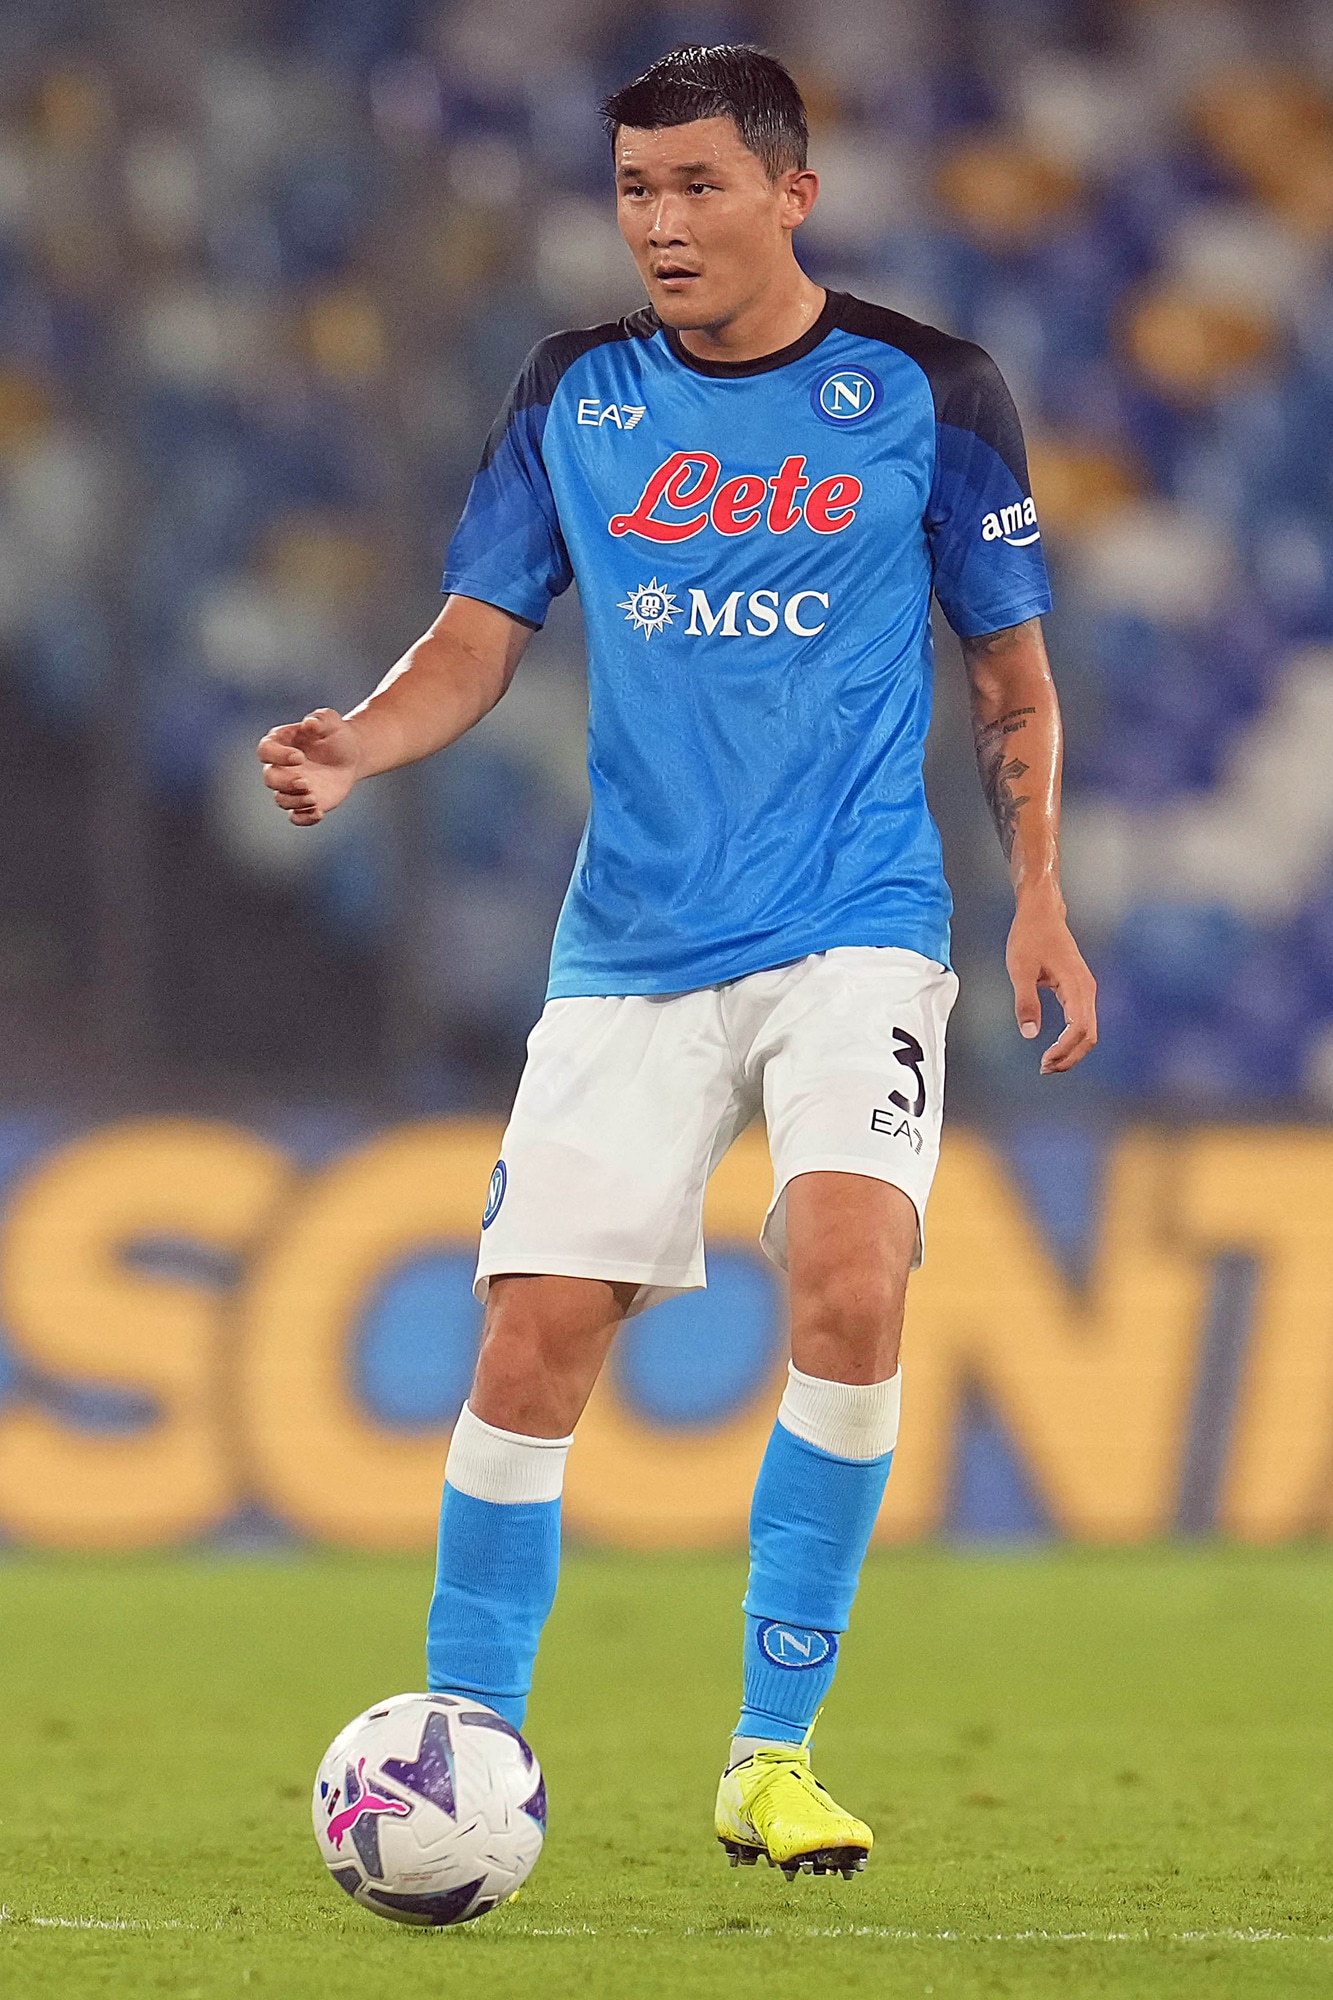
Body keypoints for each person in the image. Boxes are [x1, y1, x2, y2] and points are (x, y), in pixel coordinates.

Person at [257, 43, 1097, 1881]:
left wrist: (1036, 891)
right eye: (636, 189)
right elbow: (477, 630)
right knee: (530, 1344)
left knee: (852, 1281)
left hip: (857, 923)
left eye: (699, 185)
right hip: (631, 946)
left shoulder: (928, 391)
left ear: (792, 193)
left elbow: (1008, 674)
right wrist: (363, 742)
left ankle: (770, 1757)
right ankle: (461, 1753)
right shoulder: (577, 392)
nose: (661, 221)